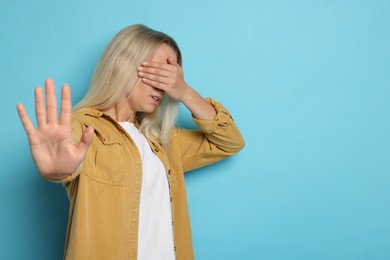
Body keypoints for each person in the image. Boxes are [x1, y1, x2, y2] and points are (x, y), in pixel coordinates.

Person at [17, 24, 245, 260]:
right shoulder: (83, 127)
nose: (165, 86)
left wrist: (185, 92)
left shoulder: (162, 141)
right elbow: (65, 158)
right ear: (120, 64)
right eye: (158, 73)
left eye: (172, 77)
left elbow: (229, 142)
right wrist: (58, 170)